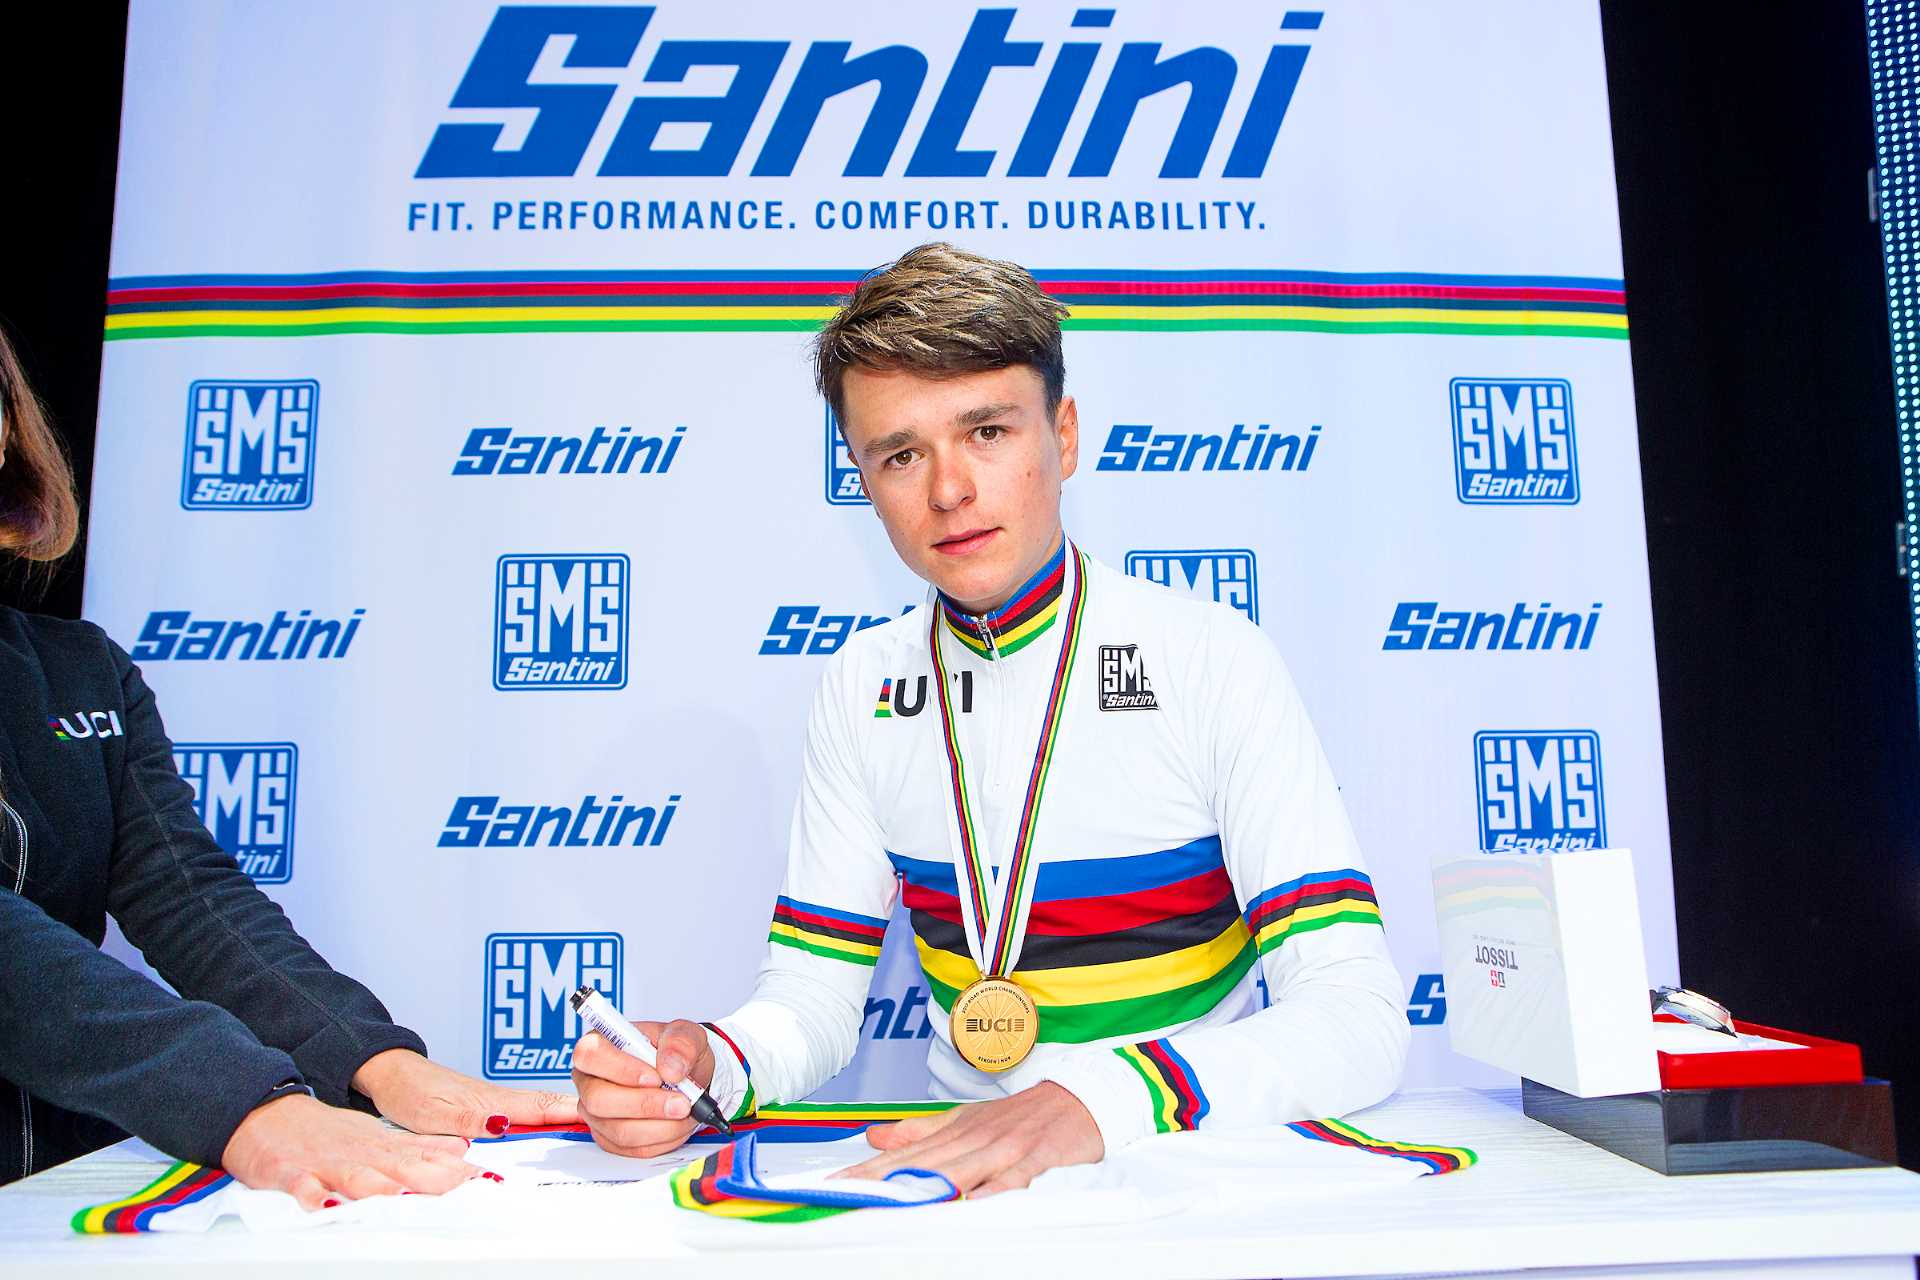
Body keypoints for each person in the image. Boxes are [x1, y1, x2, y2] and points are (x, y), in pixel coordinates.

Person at [572, 243, 1409, 1194]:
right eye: (901, 454)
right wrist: (708, 1064)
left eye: (987, 432)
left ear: (1065, 435)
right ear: (863, 480)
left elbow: (1356, 1012)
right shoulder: (863, 683)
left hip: (1184, 1180)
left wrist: (1088, 1101)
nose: (948, 491)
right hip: (955, 1192)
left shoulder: (1212, 659)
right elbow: (811, 1001)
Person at [0, 325, 575, 1205]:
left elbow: (190, 900)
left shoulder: (81, 669)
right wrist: (244, 1103)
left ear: (10, 429)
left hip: (47, 1200)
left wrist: (378, 1062)